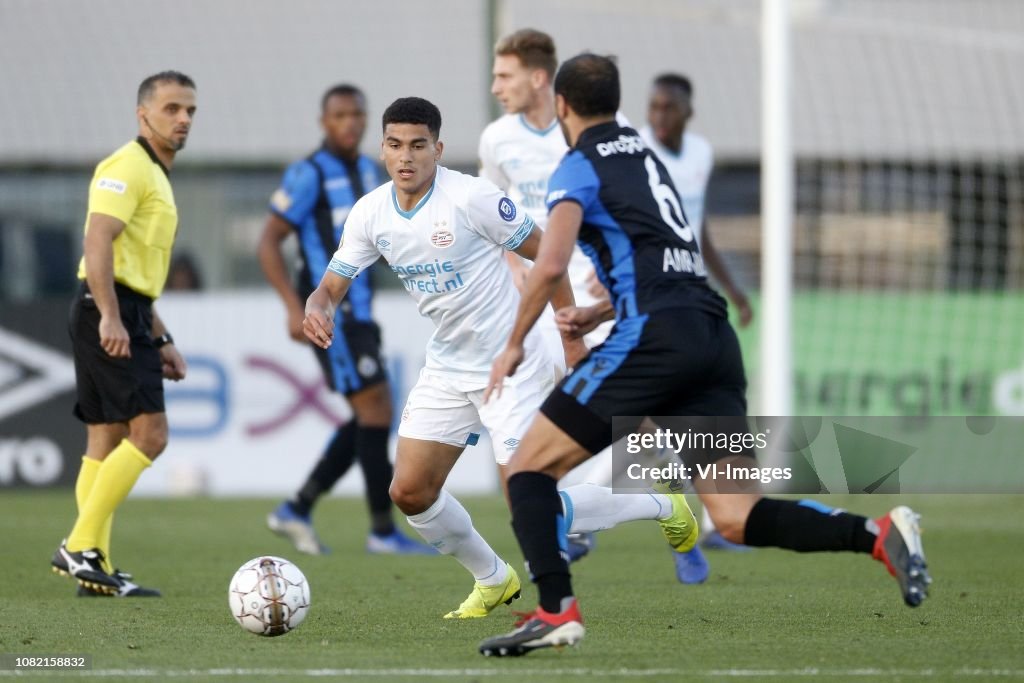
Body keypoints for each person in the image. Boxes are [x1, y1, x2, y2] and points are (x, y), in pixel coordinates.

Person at [479, 54, 930, 657]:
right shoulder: (647, 159)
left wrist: (512, 345)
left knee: (528, 470)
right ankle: (877, 535)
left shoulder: (576, 168)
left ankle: (555, 610)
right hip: (711, 338)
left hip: (656, 340)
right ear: (616, 101)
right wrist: (599, 312)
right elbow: (671, 261)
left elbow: (551, 263)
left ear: (561, 105)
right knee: (737, 515)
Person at [303, 97, 695, 618]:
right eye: (395, 145)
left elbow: (548, 256)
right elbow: (330, 286)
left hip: (513, 363)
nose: (406, 156)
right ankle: (492, 578)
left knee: (531, 502)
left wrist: (571, 337)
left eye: (418, 145)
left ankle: (663, 506)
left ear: (437, 149)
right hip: (448, 365)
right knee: (411, 490)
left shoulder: (472, 198)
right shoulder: (370, 212)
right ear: (382, 149)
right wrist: (318, 306)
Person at [260, 84, 431, 556]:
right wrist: (295, 309)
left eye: (357, 114)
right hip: (328, 313)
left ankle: (298, 507)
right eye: (340, 115)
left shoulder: (369, 172)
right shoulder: (308, 173)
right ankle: (381, 531)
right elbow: (268, 242)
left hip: (362, 314)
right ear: (324, 121)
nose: (350, 123)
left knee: (371, 413)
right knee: (375, 410)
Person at [50, 71, 197, 598]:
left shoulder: (156, 174)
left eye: (190, 111)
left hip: (124, 309)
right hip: (104, 310)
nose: (182, 119)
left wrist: (159, 338)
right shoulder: (127, 165)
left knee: (104, 438)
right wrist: (111, 317)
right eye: (172, 108)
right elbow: (98, 242)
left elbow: (137, 271)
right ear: (144, 114)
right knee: (151, 436)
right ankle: (79, 544)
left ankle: (96, 568)